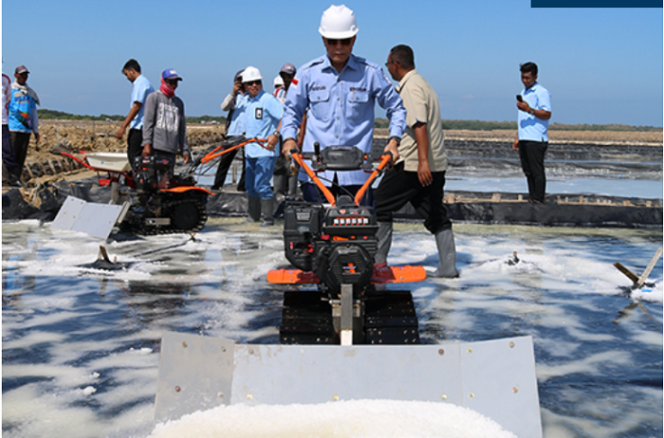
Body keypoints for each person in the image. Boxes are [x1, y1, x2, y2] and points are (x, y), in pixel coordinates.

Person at [280, 4, 406, 205]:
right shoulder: (307, 73)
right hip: (316, 176)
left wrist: (394, 140)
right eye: (332, 41)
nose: (338, 47)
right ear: (323, 40)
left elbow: (397, 107)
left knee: (359, 232)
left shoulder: (371, 73)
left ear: (354, 39)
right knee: (315, 233)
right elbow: (291, 111)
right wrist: (288, 139)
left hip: (358, 177)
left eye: (345, 41)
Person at [374, 44, 458, 278]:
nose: (388, 68)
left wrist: (422, 162)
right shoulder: (424, 84)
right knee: (433, 213)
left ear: (396, 64)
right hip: (435, 164)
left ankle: (378, 264)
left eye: (388, 63)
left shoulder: (411, 88)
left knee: (378, 204)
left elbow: (418, 123)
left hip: (413, 165)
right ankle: (448, 268)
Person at [236, 66, 283, 226]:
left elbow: (285, 119)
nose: (254, 85)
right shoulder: (246, 101)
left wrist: (275, 135)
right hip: (250, 151)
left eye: (257, 82)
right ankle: (252, 218)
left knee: (262, 184)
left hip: (265, 151)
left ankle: (268, 219)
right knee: (250, 186)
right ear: (245, 86)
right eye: (250, 83)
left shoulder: (268, 100)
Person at [512, 62, 552, 204]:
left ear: (535, 76)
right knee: (528, 171)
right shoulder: (524, 93)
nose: (525, 81)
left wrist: (529, 110)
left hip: (536, 138)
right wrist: (518, 136)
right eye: (523, 77)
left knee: (537, 171)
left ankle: (539, 199)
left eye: (528, 78)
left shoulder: (541, 92)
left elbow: (547, 114)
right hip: (524, 137)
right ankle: (532, 197)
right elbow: (523, 118)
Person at [141, 69, 190, 182]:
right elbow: (148, 122)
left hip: (171, 149)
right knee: (153, 181)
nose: (173, 85)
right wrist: (146, 144)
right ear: (163, 81)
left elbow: (182, 129)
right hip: (156, 148)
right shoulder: (154, 98)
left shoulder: (179, 103)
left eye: (175, 83)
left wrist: (185, 150)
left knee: (167, 181)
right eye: (170, 82)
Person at [116, 59, 155, 172]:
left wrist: (123, 126)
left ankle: (141, 179)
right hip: (145, 126)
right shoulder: (145, 83)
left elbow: (136, 106)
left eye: (127, 74)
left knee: (134, 155)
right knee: (141, 157)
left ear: (132, 70)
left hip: (140, 126)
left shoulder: (140, 83)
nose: (127, 78)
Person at [212, 69, 246, 191]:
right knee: (225, 161)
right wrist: (233, 92)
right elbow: (224, 107)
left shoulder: (252, 97)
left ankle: (242, 187)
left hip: (246, 134)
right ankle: (217, 185)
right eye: (239, 80)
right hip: (232, 133)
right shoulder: (234, 97)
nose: (241, 83)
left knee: (247, 162)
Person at [8, 65, 40, 185]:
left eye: (25, 75)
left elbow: (33, 112)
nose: (24, 77)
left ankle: (16, 178)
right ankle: (7, 179)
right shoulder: (9, 90)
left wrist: (35, 130)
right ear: (16, 75)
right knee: (11, 155)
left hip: (26, 129)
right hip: (13, 128)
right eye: (21, 75)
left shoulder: (30, 93)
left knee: (21, 156)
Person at [272, 62, 298, 197]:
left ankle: (292, 194)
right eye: (284, 75)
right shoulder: (278, 92)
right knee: (278, 165)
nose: (287, 79)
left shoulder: (299, 91)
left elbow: (303, 116)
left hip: (294, 134)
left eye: (290, 76)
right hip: (279, 133)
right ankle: (278, 193)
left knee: (292, 165)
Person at [3, 71, 20, 186]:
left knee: (7, 151)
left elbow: (8, 99)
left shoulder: (5, 80)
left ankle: (11, 178)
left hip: (2, 121)